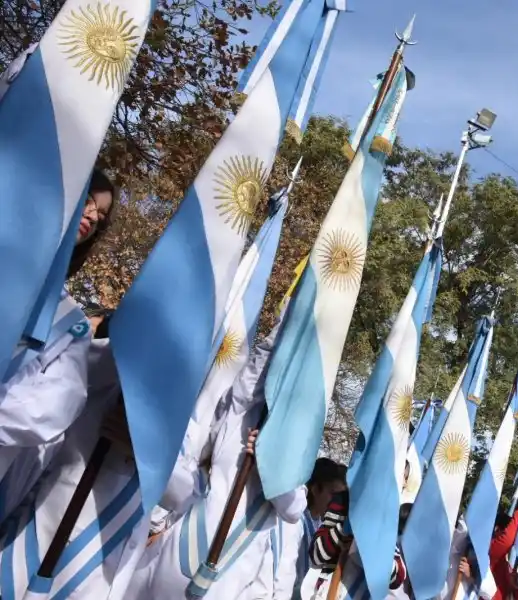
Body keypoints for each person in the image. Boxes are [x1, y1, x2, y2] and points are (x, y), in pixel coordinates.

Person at [0, 310, 190, 599]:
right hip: (35, 546)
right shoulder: (86, 381)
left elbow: (184, 493)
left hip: (99, 577)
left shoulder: (172, 420)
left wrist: (146, 453)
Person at [126, 320, 308, 599]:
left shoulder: (294, 457)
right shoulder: (241, 416)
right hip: (185, 548)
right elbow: (251, 378)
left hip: (233, 573)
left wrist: (270, 459)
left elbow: (293, 509)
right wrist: (290, 319)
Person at [0, 168, 117, 522]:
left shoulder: (71, 321)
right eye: (89, 202)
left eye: (101, 215)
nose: (93, 216)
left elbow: (58, 401)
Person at [289, 458, 347, 600]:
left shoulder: (321, 525)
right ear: (315, 489)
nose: (336, 502)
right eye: (333, 494)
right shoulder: (297, 522)